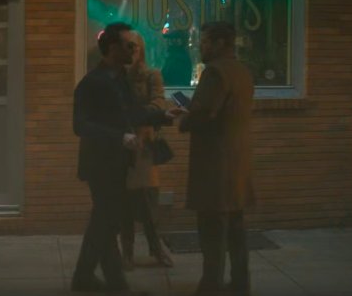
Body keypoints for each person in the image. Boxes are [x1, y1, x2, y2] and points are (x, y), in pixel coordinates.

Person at [72, 22, 185, 293]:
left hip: (119, 163)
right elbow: (80, 125)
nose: (135, 49)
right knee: (106, 221)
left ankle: (88, 278)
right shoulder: (92, 82)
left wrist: (162, 116)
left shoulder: (119, 78)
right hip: (100, 164)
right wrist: (119, 137)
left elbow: (132, 112)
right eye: (129, 45)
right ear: (113, 47)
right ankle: (112, 283)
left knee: (105, 222)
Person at [178, 21, 255, 296]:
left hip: (215, 166)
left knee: (212, 231)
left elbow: (205, 113)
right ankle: (240, 283)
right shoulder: (242, 71)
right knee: (236, 231)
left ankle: (211, 286)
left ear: (220, 43)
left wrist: (185, 119)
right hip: (237, 164)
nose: (201, 47)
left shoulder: (215, 72)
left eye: (205, 42)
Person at [120, 31, 174, 269]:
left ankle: (156, 247)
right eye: (127, 46)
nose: (131, 51)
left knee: (148, 199)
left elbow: (158, 102)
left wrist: (137, 116)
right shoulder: (118, 76)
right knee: (125, 200)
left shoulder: (152, 75)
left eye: (135, 46)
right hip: (123, 143)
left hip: (144, 143)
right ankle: (127, 251)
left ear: (141, 49)